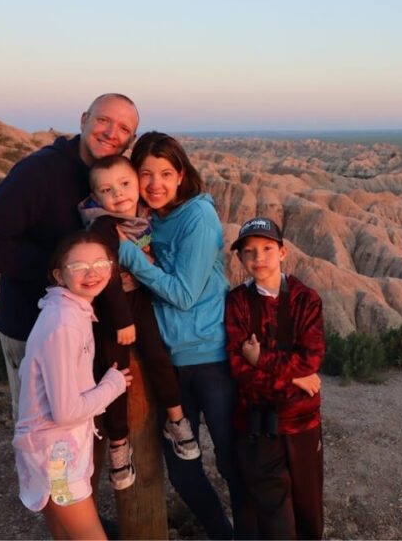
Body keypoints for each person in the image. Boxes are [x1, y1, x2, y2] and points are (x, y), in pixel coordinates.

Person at [0, 93, 139, 421]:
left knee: (77, 429)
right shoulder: (40, 171)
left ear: (131, 139)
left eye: (123, 128)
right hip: (33, 329)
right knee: (43, 431)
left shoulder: (109, 179)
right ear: (84, 120)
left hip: (81, 330)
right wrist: (64, 271)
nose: (112, 132)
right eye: (103, 120)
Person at [116, 131, 252, 539]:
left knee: (231, 460)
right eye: (145, 174)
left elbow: (183, 294)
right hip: (167, 365)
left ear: (181, 175)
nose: (155, 183)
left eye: (165, 173)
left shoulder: (198, 217)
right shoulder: (146, 219)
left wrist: (127, 256)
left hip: (210, 358)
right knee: (182, 470)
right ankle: (222, 533)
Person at [78, 156, 201, 490]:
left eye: (125, 184)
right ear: (96, 198)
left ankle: (176, 419)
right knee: (116, 376)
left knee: (158, 357)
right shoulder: (104, 226)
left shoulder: (144, 216)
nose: (118, 194)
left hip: (142, 301)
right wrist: (121, 319)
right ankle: (119, 443)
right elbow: (107, 274)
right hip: (112, 308)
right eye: (107, 190)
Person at [13, 231, 134, 540]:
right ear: (59, 274)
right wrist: (113, 384)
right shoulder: (64, 324)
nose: (92, 273)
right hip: (57, 458)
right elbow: (66, 412)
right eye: (79, 266)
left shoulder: (69, 311)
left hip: (49, 449)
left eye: (100, 262)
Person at [225, 217, 325, 540]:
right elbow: (239, 369)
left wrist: (261, 359)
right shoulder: (237, 302)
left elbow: (310, 359)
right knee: (272, 514)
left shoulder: (305, 300)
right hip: (256, 424)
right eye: (249, 251)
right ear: (240, 258)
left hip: (301, 423)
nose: (259, 258)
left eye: (267, 249)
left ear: (282, 253)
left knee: (308, 508)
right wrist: (294, 380)